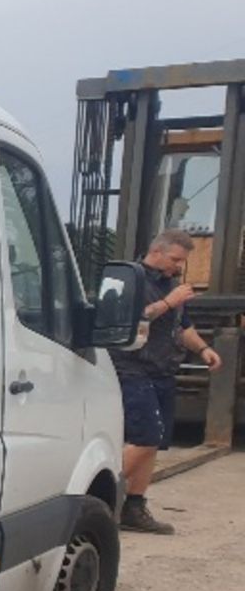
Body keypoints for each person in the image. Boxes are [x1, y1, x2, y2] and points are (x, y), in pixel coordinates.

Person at [112, 229, 221, 534]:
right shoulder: (129, 280)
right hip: (133, 368)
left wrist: (203, 349)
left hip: (162, 370)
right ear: (156, 252)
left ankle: (134, 506)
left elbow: (182, 327)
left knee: (155, 442)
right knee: (145, 436)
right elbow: (131, 319)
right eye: (175, 259)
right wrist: (169, 303)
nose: (178, 266)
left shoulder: (170, 284)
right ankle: (95, 496)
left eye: (182, 261)